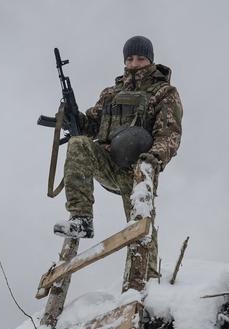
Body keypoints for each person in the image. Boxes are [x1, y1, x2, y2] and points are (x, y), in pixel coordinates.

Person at [53, 35, 183, 279]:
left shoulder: (164, 92)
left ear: (150, 60)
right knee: (79, 143)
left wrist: (152, 159)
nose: (134, 63)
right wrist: (72, 116)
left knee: (139, 227)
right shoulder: (112, 93)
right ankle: (82, 219)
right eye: (130, 58)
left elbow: (170, 134)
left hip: (139, 168)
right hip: (109, 162)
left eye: (140, 58)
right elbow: (92, 123)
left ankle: (146, 278)